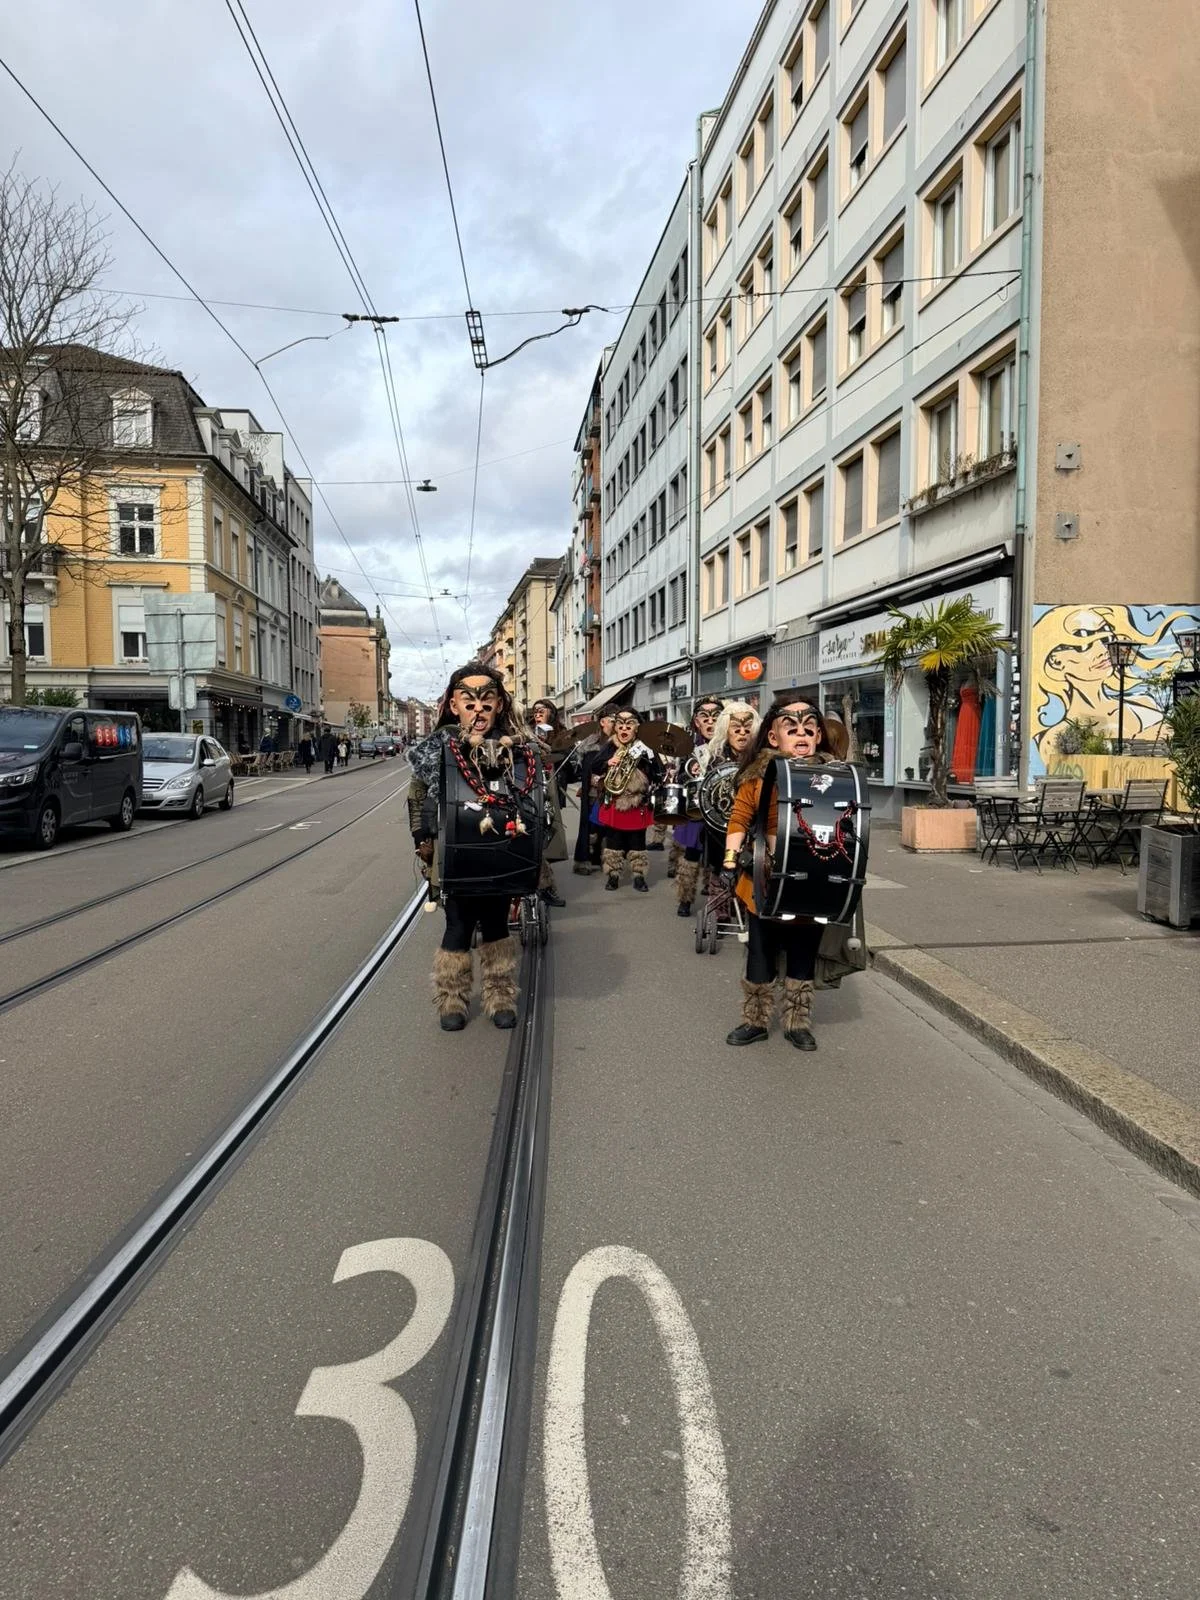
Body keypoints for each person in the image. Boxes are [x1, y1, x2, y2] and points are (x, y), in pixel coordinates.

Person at [407, 662, 531, 1032]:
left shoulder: (518, 747)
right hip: (454, 851)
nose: (478, 710)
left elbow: (537, 797)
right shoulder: (437, 747)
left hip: (502, 850)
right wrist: (421, 836)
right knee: (458, 925)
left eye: (486, 700)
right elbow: (417, 795)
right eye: (469, 701)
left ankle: (500, 996)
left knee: (496, 924)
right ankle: (452, 1000)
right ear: (454, 705)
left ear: (499, 704)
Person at [722, 698, 841, 1052]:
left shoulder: (835, 777)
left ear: (819, 735)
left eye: (808, 729)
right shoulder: (758, 776)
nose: (801, 734)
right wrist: (730, 859)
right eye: (792, 729)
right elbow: (740, 817)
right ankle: (755, 1020)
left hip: (813, 878)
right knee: (760, 950)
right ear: (774, 738)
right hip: (765, 876)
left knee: (803, 950)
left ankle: (797, 1022)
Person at [593, 707, 663, 891]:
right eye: (620, 725)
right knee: (613, 842)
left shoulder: (645, 747)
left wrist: (648, 760)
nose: (624, 730)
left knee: (637, 842)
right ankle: (613, 876)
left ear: (636, 728)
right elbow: (594, 765)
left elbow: (658, 772)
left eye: (629, 725)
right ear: (616, 728)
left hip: (637, 802)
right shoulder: (610, 746)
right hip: (615, 801)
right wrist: (608, 762)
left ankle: (639, 877)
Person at [671, 696, 727, 917]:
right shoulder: (689, 747)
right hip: (696, 809)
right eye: (705, 717)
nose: (710, 722)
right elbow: (682, 776)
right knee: (691, 855)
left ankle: (720, 903)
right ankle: (685, 898)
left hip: (721, 809)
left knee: (721, 858)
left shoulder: (727, 746)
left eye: (716, 717)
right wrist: (688, 771)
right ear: (696, 721)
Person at [529, 698, 568, 907]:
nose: (537, 713)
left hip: (551, 790)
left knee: (549, 837)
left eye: (541, 710)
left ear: (551, 713)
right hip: (531, 789)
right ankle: (540, 887)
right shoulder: (527, 732)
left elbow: (567, 762)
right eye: (535, 710)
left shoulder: (559, 734)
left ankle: (546, 887)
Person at [570, 706, 617, 874]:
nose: (615, 724)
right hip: (594, 792)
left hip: (613, 792)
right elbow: (587, 770)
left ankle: (604, 859)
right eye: (612, 721)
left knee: (609, 828)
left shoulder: (619, 743)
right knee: (590, 826)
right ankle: (584, 860)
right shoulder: (591, 743)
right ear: (603, 722)